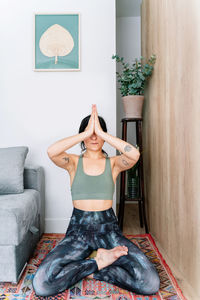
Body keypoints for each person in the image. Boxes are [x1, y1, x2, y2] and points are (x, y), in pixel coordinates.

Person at [32, 104, 160, 297]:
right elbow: (52, 151)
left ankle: (86, 267)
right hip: (78, 233)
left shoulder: (114, 163)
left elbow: (134, 154)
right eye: (89, 134)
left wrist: (101, 132)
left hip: (108, 231)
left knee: (150, 283)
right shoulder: (73, 162)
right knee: (42, 284)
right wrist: (85, 133)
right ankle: (99, 261)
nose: (93, 137)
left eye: (97, 133)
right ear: (83, 136)